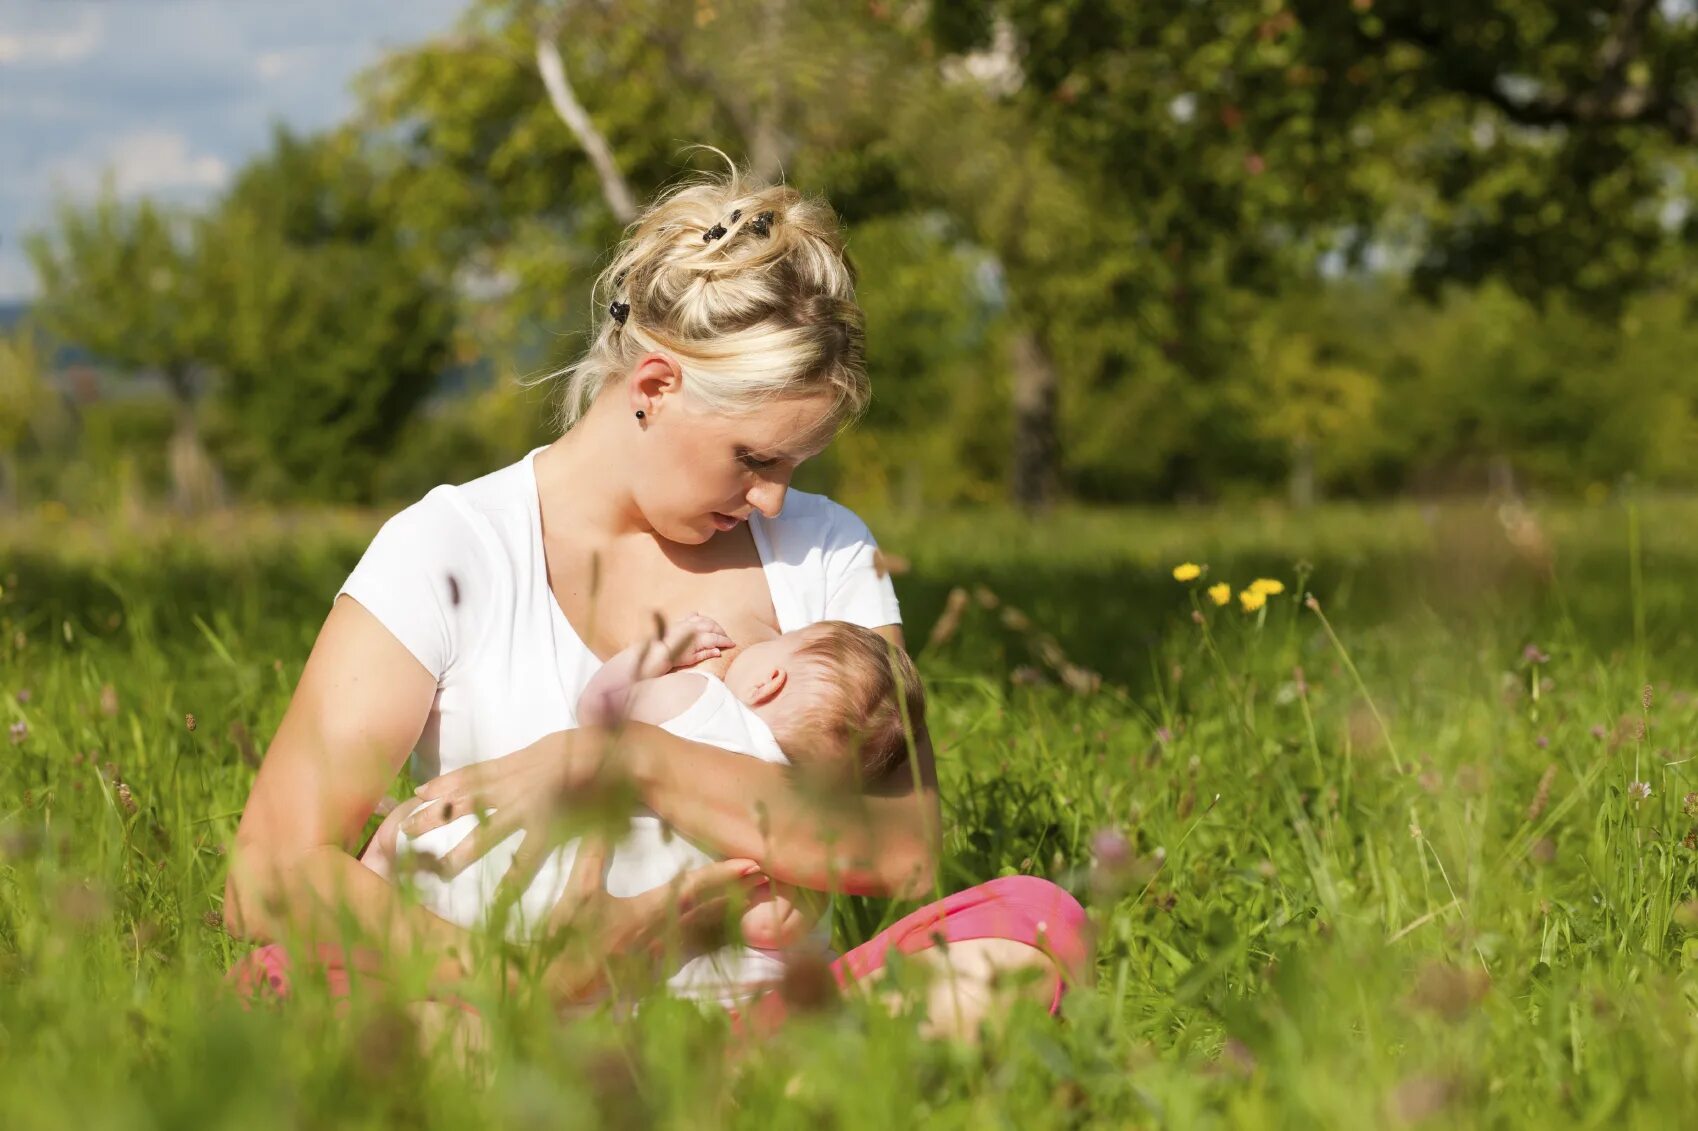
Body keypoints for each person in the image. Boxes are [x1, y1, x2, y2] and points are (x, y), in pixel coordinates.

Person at [223, 155, 1088, 1038]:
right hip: (502, 1010)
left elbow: (900, 849)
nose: (773, 500)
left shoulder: (827, 551)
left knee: (1032, 923)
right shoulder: (452, 548)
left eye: (794, 466)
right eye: (754, 458)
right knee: (283, 978)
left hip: (750, 1022)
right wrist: (526, 976)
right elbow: (270, 872)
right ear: (655, 386)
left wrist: (632, 760)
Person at [360, 612, 923, 1003]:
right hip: (623, 944)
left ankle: (366, 893)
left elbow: (598, 711)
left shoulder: (702, 701)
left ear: (770, 680)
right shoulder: (800, 825)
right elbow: (771, 924)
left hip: (530, 877)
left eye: (777, 640)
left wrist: (659, 655)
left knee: (402, 834)